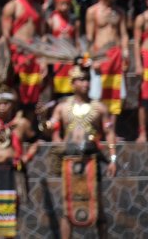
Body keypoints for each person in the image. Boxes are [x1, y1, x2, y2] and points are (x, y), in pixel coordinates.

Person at [47, 65, 116, 239]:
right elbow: (51, 127)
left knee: (98, 206)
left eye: (87, 80)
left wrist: (113, 158)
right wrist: (42, 120)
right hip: (69, 162)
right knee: (67, 207)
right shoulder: (62, 107)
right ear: (72, 83)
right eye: (81, 80)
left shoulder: (99, 108)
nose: (86, 83)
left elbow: (109, 132)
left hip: (92, 161)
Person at [0, 86, 36, 239]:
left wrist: (26, 157)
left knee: (12, 210)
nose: (2, 106)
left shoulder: (21, 123)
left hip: (12, 171)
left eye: (6, 103)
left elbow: (36, 141)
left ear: (12, 104)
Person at [1, 0, 44, 122]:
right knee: (17, 88)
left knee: (34, 89)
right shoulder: (12, 6)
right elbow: (6, 34)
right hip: (18, 54)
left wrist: (42, 57)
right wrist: (9, 56)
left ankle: (30, 123)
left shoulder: (38, 8)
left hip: (34, 55)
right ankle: (15, 120)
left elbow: (42, 34)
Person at [85, 0, 129, 117]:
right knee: (98, 93)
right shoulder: (92, 12)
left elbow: (124, 35)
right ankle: (98, 130)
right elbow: (89, 38)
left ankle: (111, 131)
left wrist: (126, 53)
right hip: (100, 54)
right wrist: (92, 59)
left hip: (116, 54)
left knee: (115, 93)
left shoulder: (119, 12)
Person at [49, 0, 80, 100]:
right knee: (55, 90)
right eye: (62, 3)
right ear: (56, 4)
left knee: (70, 90)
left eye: (67, 3)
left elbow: (77, 41)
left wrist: (79, 59)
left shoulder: (74, 21)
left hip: (70, 60)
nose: (65, 6)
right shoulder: (52, 20)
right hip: (57, 60)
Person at [134, 0, 148, 142]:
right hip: (147, 60)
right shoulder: (142, 18)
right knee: (144, 100)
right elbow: (137, 42)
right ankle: (142, 132)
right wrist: (138, 64)